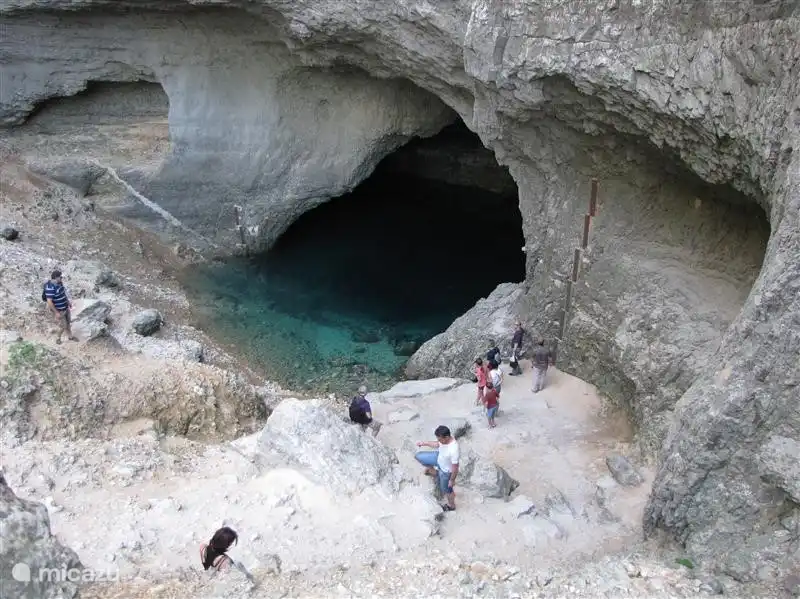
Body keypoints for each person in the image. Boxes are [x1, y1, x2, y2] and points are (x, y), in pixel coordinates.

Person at [414, 425, 460, 511]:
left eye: (440, 439)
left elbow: (455, 468)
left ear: (446, 437)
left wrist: (452, 480)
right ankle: (434, 472)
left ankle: (452, 506)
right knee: (419, 456)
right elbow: (436, 444)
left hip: (446, 471)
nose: (439, 441)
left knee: (446, 490)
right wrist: (424, 443)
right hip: (439, 458)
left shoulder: (454, 449)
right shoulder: (444, 440)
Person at [44, 269, 77, 344]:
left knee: (68, 322)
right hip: (59, 310)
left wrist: (68, 302)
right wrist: (56, 313)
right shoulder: (50, 287)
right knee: (63, 326)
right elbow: (49, 301)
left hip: (65, 307)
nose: (61, 278)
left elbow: (63, 293)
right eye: (60, 277)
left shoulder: (60, 283)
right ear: (56, 277)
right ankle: (58, 338)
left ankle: (70, 336)